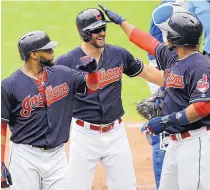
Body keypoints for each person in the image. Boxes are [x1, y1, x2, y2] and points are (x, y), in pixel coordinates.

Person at [99, 4, 210, 190]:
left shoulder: (199, 66)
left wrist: (165, 121)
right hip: (174, 144)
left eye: (168, 31)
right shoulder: (173, 56)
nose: (164, 34)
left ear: (176, 38)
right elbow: (146, 41)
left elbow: (203, 107)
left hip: (194, 144)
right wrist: (121, 22)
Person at [55, 8, 164, 190]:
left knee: (126, 186)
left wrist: (180, 82)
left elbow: (148, 72)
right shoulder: (66, 62)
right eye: (96, 30)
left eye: (103, 28)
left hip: (116, 134)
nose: (102, 33)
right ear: (83, 32)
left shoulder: (118, 55)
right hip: (84, 135)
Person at [1, 30, 99, 189]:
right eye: (47, 50)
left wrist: (92, 72)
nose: (52, 52)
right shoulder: (9, 86)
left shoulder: (63, 74)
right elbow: (1, 127)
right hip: (25, 157)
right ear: (33, 54)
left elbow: (92, 86)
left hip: (57, 157)